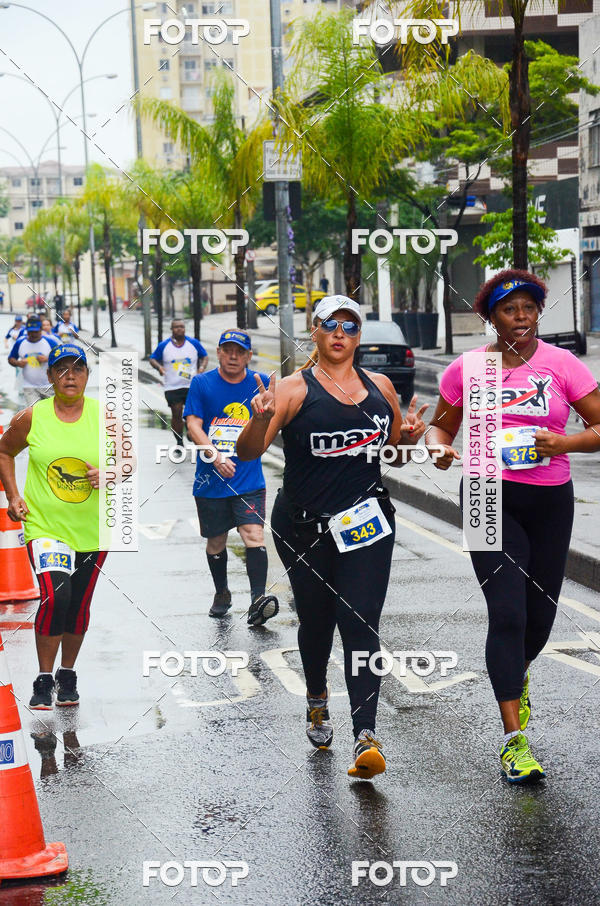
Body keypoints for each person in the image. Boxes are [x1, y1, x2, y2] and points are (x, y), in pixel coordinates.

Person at [237, 296, 427, 779]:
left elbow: (394, 458)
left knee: (360, 620)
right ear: (315, 332)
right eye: (329, 324)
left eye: (350, 325)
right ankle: (317, 696)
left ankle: (366, 733)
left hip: (367, 525)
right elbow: (248, 452)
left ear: (358, 336)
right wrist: (259, 416)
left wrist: (409, 439)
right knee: (318, 623)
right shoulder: (291, 389)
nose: (340, 332)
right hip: (304, 527)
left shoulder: (381, 387)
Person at [427, 270, 600, 783]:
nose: (521, 318)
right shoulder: (470, 369)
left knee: (539, 618)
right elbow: (442, 425)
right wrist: (438, 449)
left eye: (529, 308)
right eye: (509, 310)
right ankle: (513, 740)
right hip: (485, 493)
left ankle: (514, 674)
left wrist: (564, 444)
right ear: (490, 317)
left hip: (549, 498)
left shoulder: (562, 364)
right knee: (506, 613)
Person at [0, 344, 108, 710]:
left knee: (78, 604)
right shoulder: (32, 416)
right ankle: (44, 678)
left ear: (87, 377)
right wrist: (13, 497)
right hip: (45, 527)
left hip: (94, 529)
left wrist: (111, 472)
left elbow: (129, 459)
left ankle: (68, 674)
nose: (70, 376)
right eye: (62, 369)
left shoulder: (104, 416)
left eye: (78, 369)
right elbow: (4, 451)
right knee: (55, 595)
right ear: (50, 377)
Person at [184, 329, 279, 626]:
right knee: (216, 541)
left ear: (249, 356)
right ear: (219, 353)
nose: (233, 356)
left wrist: (268, 410)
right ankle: (222, 592)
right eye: (227, 350)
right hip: (210, 481)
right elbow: (193, 425)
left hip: (248, 478)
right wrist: (214, 455)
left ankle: (257, 601)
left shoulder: (260, 384)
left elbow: (275, 419)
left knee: (253, 535)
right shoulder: (202, 383)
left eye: (240, 351)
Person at [150, 319, 208, 447]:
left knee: (192, 414)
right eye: (176, 327)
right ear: (172, 329)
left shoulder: (193, 343)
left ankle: (191, 431)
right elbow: (152, 359)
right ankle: (179, 441)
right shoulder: (164, 345)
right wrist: (159, 367)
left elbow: (204, 356)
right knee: (176, 413)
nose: (179, 329)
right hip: (172, 386)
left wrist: (201, 369)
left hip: (191, 386)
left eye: (181, 327)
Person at [8, 315, 59, 406]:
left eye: (36, 332)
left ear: (41, 330)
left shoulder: (50, 342)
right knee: (35, 412)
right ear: (27, 330)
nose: (33, 334)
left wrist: (48, 359)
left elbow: (62, 358)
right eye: (30, 331)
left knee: (50, 413)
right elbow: (11, 359)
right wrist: (18, 363)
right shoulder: (20, 342)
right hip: (29, 387)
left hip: (49, 386)